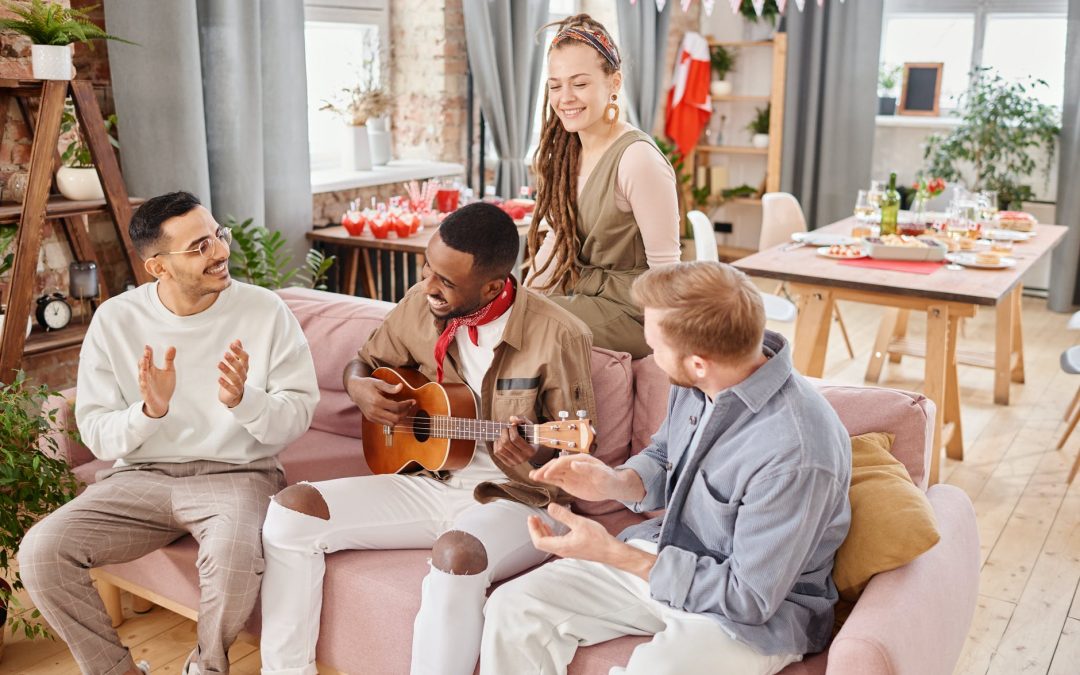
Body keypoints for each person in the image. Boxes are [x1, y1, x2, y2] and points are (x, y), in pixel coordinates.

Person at [258, 202, 597, 675]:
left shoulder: (559, 335)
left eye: (446, 281)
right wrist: (359, 388)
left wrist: (534, 450)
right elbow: (365, 361)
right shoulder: (422, 303)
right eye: (427, 269)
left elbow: (577, 451)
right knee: (291, 512)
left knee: (456, 554)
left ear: (493, 286)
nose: (428, 287)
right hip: (425, 477)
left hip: (517, 497)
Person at [481, 261, 853, 675]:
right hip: (670, 552)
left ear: (698, 362)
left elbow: (748, 596)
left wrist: (613, 552)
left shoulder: (795, 453)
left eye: (655, 348)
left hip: (753, 616)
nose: (653, 360)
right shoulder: (702, 382)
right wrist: (615, 482)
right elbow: (665, 454)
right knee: (514, 610)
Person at [18, 191, 320, 675]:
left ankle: (205, 667)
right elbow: (97, 432)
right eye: (199, 246)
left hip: (239, 475)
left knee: (235, 555)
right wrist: (148, 412)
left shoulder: (265, 312)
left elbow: (297, 415)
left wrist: (244, 399)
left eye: (217, 235)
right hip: (141, 476)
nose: (221, 252)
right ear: (158, 267)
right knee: (40, 551)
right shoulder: (116, 320)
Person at [527, 13, 681, 359]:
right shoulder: (566, 153)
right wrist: (525, 296)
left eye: (579, 84)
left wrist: (665, 342)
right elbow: (556, 237)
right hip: (586, 294)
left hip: (635, 310)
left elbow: (667, 266)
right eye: (555, 85)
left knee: (531, 325)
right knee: (502, 313)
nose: (565, 97)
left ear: (614, 83)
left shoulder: (637, 160)